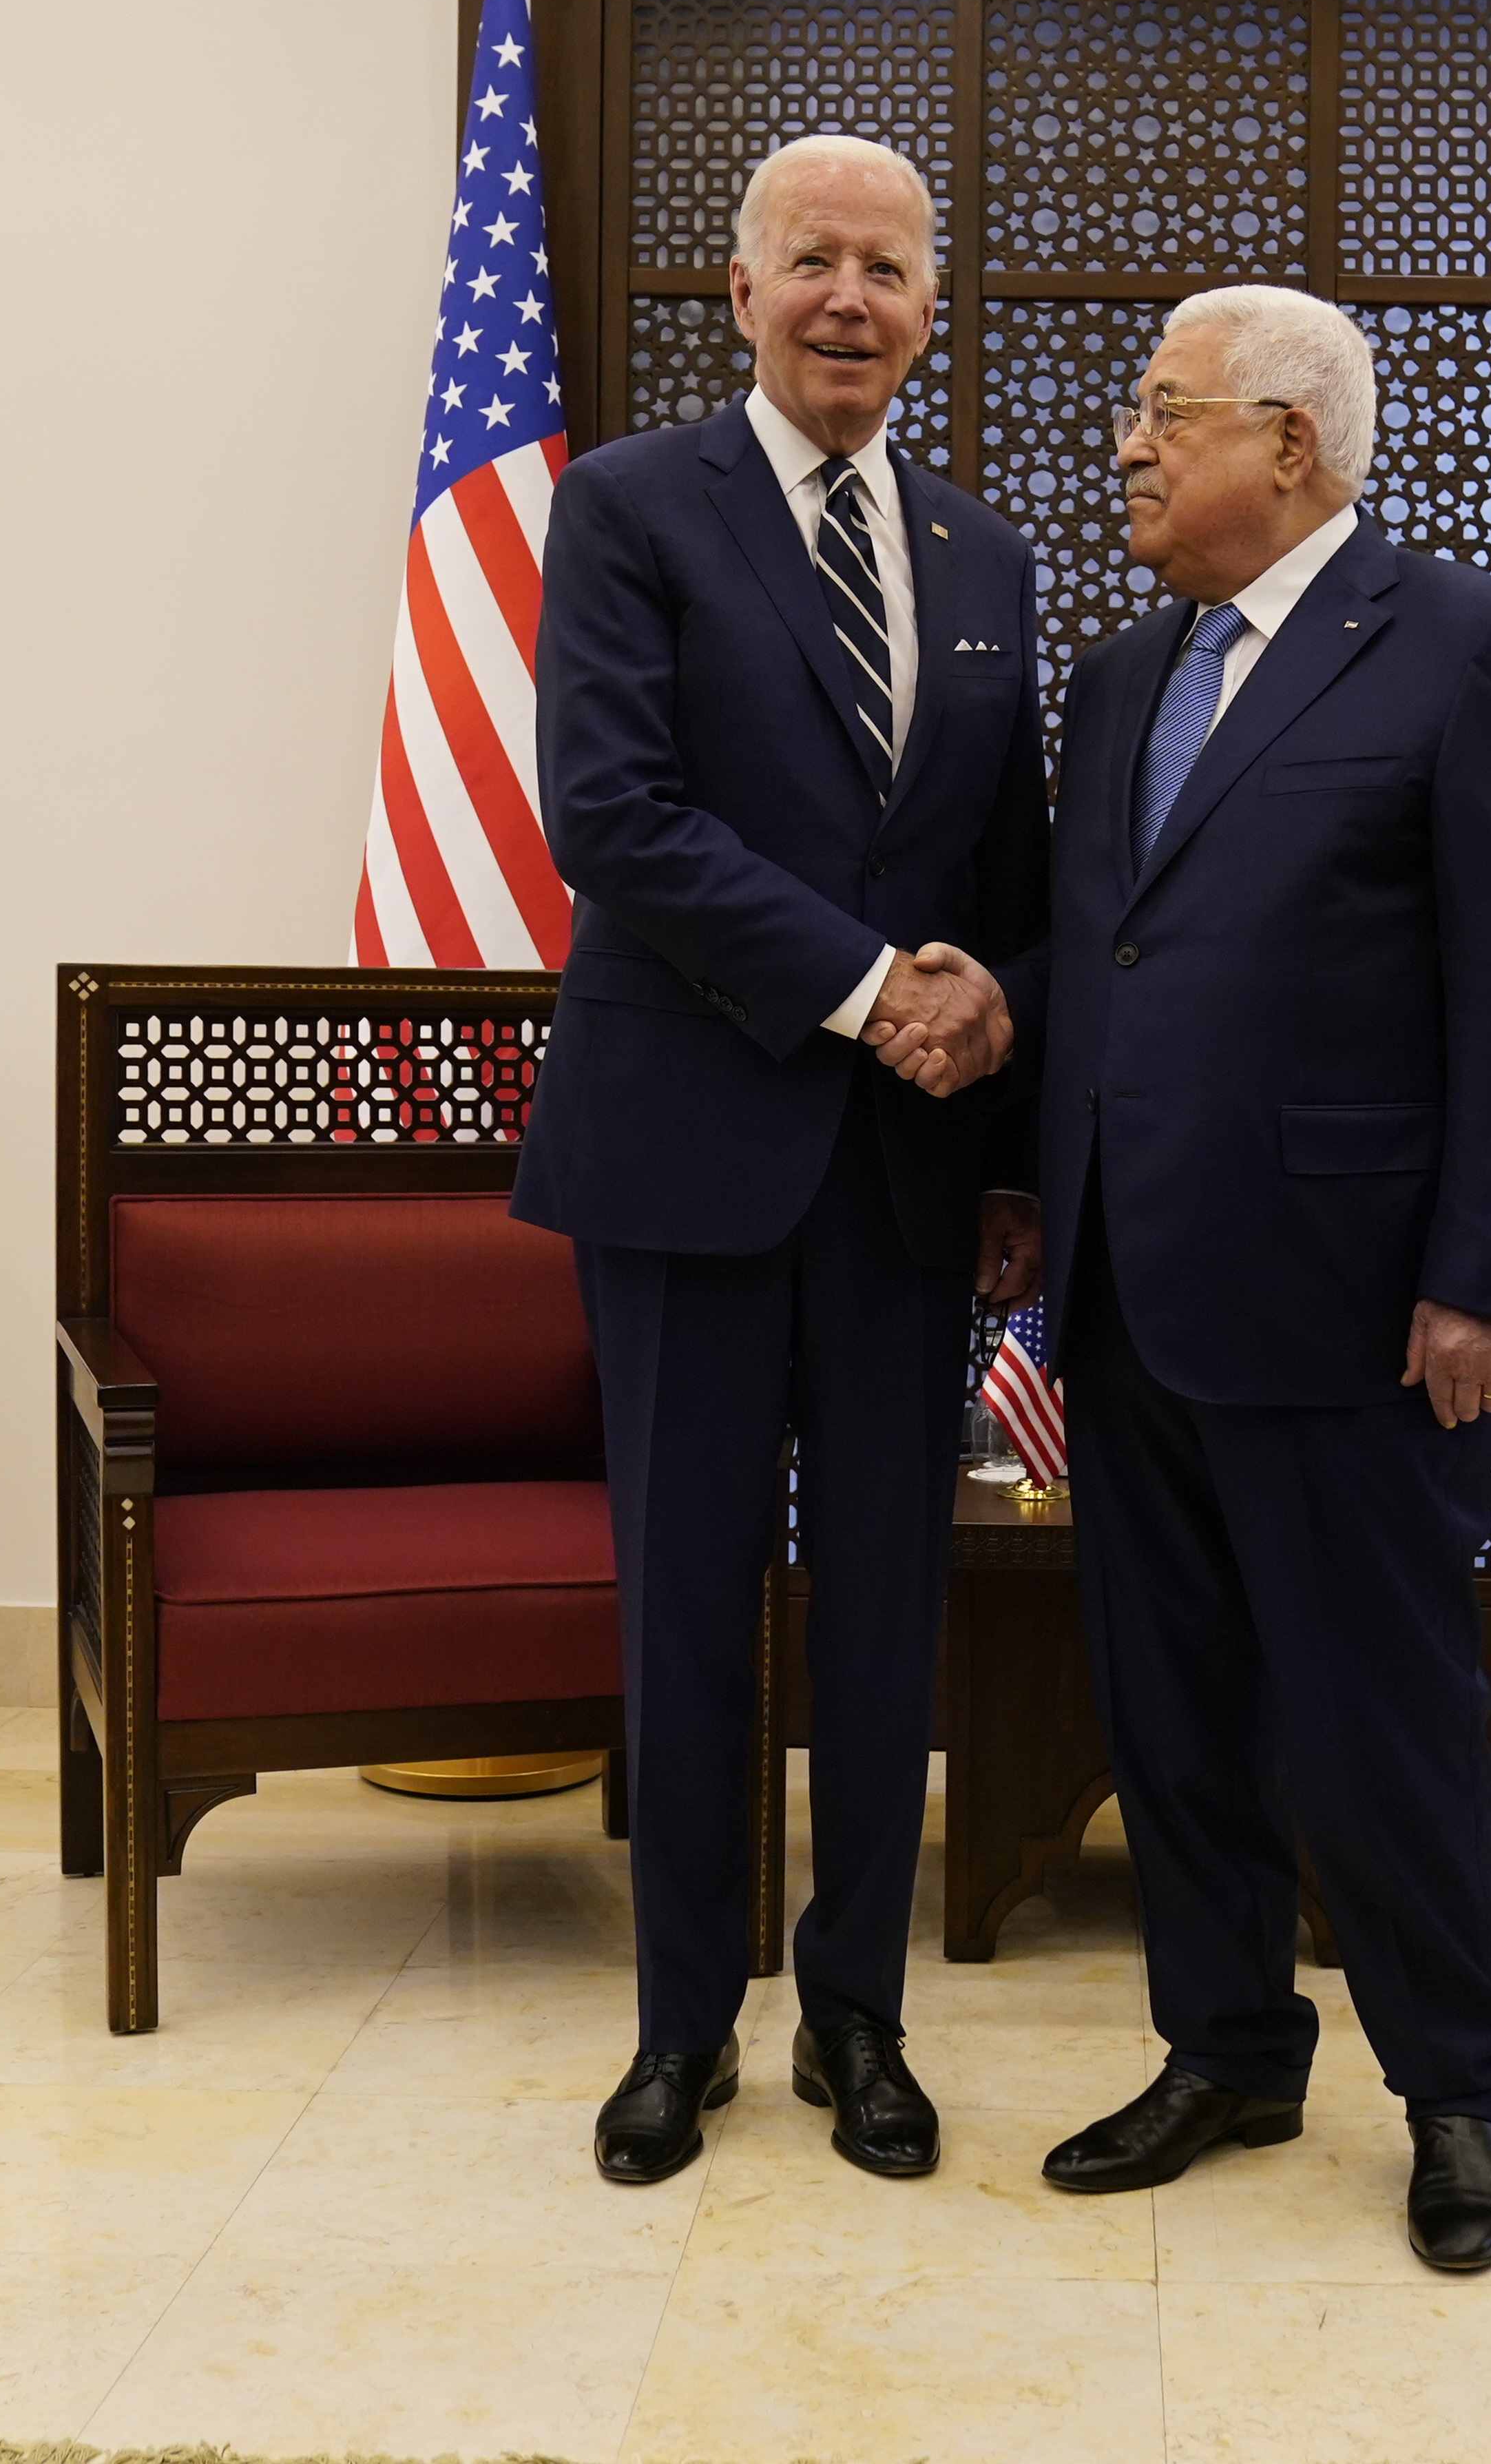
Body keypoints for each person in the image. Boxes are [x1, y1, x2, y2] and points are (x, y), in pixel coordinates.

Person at [977, 282, 1491, 2270]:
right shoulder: (1116, 676)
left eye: (1165, 416)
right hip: (1127, 1282)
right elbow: (1108, 965)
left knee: (1372, 1711)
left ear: (1291, 448)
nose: (1131, 450)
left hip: (1350, 1297)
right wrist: (1000, 1112)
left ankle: (1463, 2096)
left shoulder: (1466, 644)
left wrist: (1487, 1274)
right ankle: (1227, 2045)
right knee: (1169, 1707)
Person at [514, 133, 1045, 2187]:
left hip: (911, 1183)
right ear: (738, 297)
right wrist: (864, 986)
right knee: (684, 1603)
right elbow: (615, 815)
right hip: (686, 1157)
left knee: (889, 1608)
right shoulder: (629, 507)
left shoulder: (987, 559)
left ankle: (858, 2022)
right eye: (810, 262)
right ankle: (677, 2031)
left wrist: (981, 1035)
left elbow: (1010, 868)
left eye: (888, 268)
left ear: (930, 309)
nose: (850, 298)